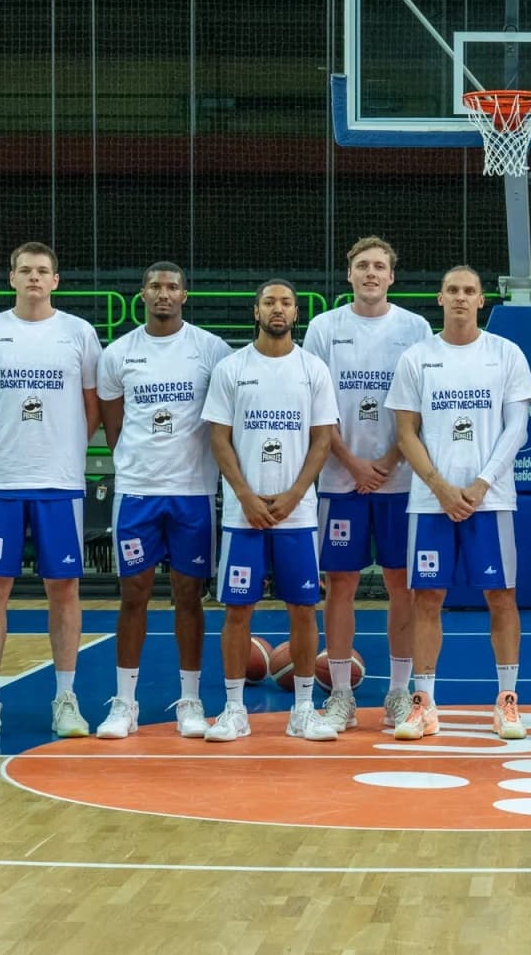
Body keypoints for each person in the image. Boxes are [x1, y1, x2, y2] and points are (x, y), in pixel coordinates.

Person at [386, 265, 531, 742]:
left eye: (469, 290)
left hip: (490, 500)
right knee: (427, 598)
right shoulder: (417, 357)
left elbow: (518, 427)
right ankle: (424, 704)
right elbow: (406, 432)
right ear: (439, 298)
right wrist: (441, 487)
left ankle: (507, 701)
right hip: (431, 502)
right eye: (452, 290)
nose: (460, 297)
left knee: (502, 597)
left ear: (481, 300)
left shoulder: (505, 354)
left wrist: (482, 483)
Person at [0, 242, 104, 742]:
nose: (34, 278)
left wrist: (65, 448)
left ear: (56, 280)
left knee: (63, 589)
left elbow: (93, 406)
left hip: (58, 481)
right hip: (0, 480)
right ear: (12, 278)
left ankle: (66, 699)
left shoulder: (79, 332)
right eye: (25, 270)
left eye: (43, 271)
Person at [92, 262, 232, 740]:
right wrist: (139, 464)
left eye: (172, 286)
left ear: (184, 295)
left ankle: (190, 701)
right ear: (143, 294)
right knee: (134, 594)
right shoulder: (119, 353)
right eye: (155, 286)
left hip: (192, 492)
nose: (164, 293)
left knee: (188, 596)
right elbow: (114, 425)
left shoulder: (210, 349)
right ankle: (124, 703)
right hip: (137, 492)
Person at [202, 281, 341, 742]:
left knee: (303, 609)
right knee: (237, 610)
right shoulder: (232, 368)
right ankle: (234, 709)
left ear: (296, 313)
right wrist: (244, 494)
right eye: (269, 302)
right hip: (243, 514)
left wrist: (296, 493)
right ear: (256, 311)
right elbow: (219, 438)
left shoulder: (313, 369)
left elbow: (322, 439)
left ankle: (303, 710)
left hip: (296, 516)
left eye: (285, 303)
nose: (277, 309)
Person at [307, 236, 433, 737]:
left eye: (380, 266)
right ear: (350, 274)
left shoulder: (415, 327)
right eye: (363, 265)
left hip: (402, 481)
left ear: (392, 276)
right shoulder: (324, 328)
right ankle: (341, 695)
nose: (371, 273)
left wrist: (388, 459)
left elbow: (420, 407)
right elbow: (318, 407)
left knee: (403, 585)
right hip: (341, 479)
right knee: (340, 585)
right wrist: (353, 463)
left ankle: (399, 694)